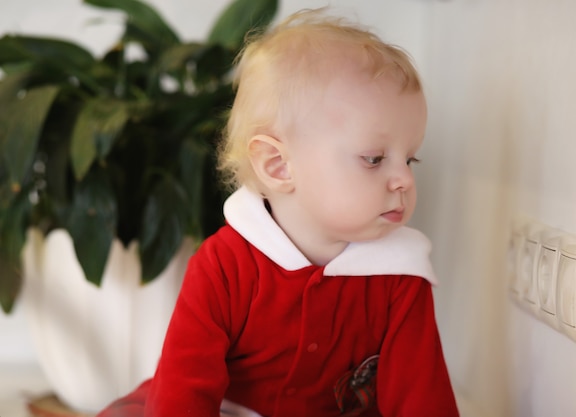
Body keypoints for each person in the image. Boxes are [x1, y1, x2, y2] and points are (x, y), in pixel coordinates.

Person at [97, 8, 459, 417]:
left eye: (410, 160)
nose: (403, 180)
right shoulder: (223, 265)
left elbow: (421, 396)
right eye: (375, 159)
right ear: (278, 166)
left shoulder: (402, 273)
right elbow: (183, 390)